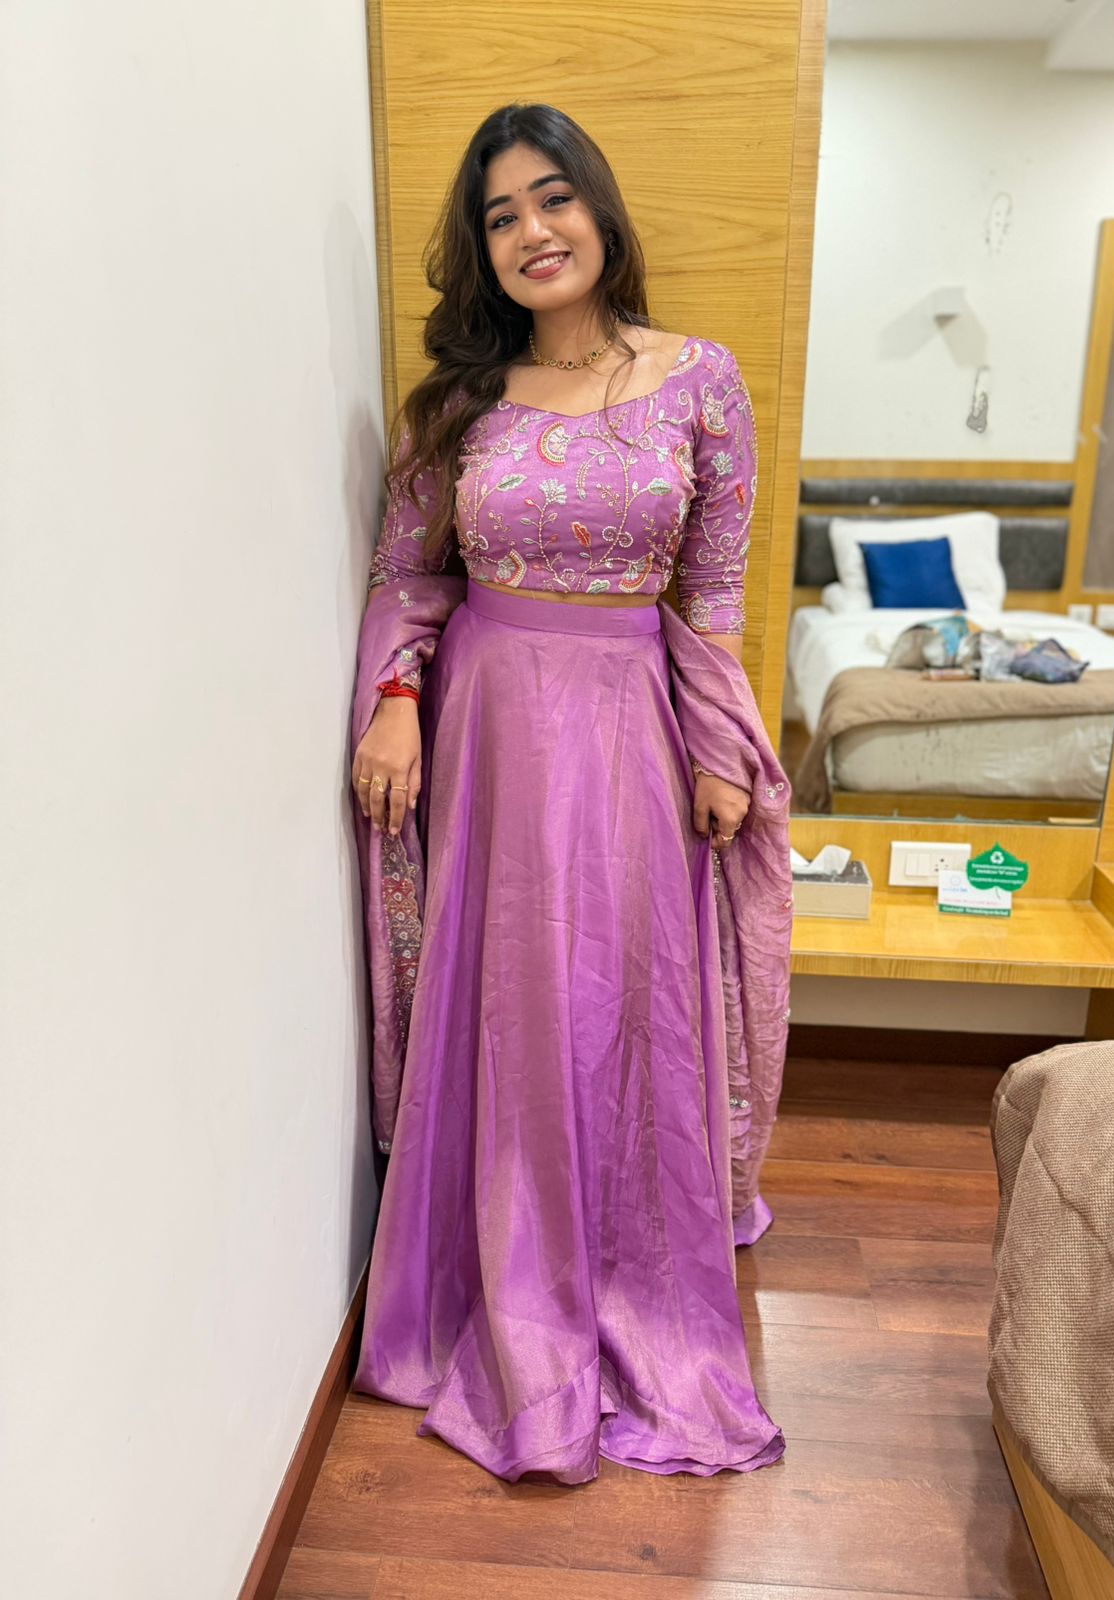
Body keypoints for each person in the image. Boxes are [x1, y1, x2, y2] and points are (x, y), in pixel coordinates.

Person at [347, 101, 793, 1485]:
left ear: (599, 209)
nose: (533, 232)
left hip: (630, 725)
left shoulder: (700, 377)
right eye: (501, 217)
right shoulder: (457, 408)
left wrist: (720, 751)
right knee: (511, 994)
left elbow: (712, 589)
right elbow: (409, 575)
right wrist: (398, 696)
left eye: (552, 199)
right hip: (489, 724)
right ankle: (506, 1272)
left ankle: (628, 1268)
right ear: (481, 251)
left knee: (624, 994)